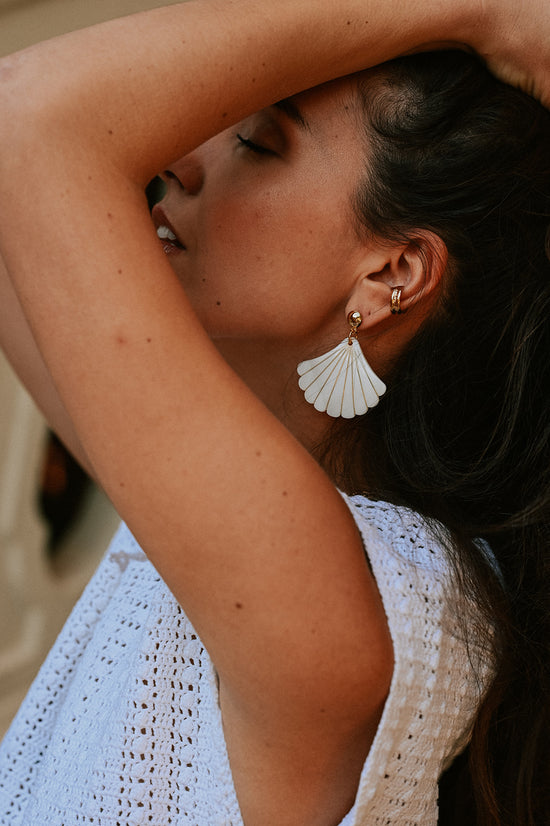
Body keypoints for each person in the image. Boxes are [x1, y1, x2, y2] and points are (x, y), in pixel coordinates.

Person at [0, 1, 549, 824]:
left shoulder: (360, 594)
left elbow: (31, 119)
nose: (175, 160)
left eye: (256, 143)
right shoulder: (244, 533)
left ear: (392, 272)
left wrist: (479, 11)